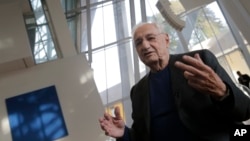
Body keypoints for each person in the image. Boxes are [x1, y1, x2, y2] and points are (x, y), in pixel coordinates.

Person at [98, 22, 250, 141]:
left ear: (166, 39)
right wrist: (124, 133)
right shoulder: (137, 91)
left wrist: (223, 93)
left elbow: (245, 110)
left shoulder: (198, 61)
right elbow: (142, 137)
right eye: (138, 43)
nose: (145, 45)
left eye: (151, 38)